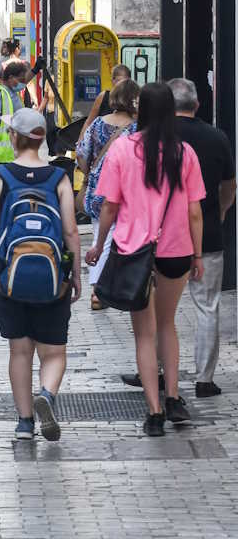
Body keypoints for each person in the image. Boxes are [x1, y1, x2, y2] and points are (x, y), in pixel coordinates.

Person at [86, 83, 205, 436]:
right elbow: (194, 211)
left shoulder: (122, 150)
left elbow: (109, 206)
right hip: (176, 250)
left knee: (144, 334)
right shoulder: (185, 153)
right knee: (168, 325)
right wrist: (198, 254)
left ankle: (153, 412)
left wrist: (98, 245)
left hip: (133, 251)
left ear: (141, 112)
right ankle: (173, 398)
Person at [0, 109, 80, 442]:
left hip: (9, 275)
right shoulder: (58, 177)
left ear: (14, 138)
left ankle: (24, 423)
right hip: (53, 277)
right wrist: (75, 273)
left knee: (19, 351)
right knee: (54, 352)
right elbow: (71, 230)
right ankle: (46, 395)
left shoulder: (1, 177)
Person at [172, 79, 234, 398]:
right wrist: (221, 212)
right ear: (197, 105)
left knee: (158, 310)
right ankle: (204, 379)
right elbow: (229, 185)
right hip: (206, 234)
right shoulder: (217, 137)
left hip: (163, 237)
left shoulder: (155, 139)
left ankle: (157, 372)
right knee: (207, 306)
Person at [75, 79, 139, 309]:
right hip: (127, 193)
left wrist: (90, 172)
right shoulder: (136, 128)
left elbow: (81, 154)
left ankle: (100, 289)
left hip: (99, 190)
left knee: (100, 236)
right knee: (116, 239)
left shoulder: (98, 125)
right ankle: (101, 290)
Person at [0, 61, 28, 167]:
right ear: (11, 77)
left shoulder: (12, 92)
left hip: (14, 154)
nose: (23, 84)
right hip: (2, 157)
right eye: (21, 80)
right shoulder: (0, 94)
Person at [77, 64, 133, 144]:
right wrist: (80, 142)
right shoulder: (103, 97)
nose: (121, 86)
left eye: (124, 82)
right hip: (102, 149)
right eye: (119, 81)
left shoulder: (134, 100)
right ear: (112, 80)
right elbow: (89, 122)